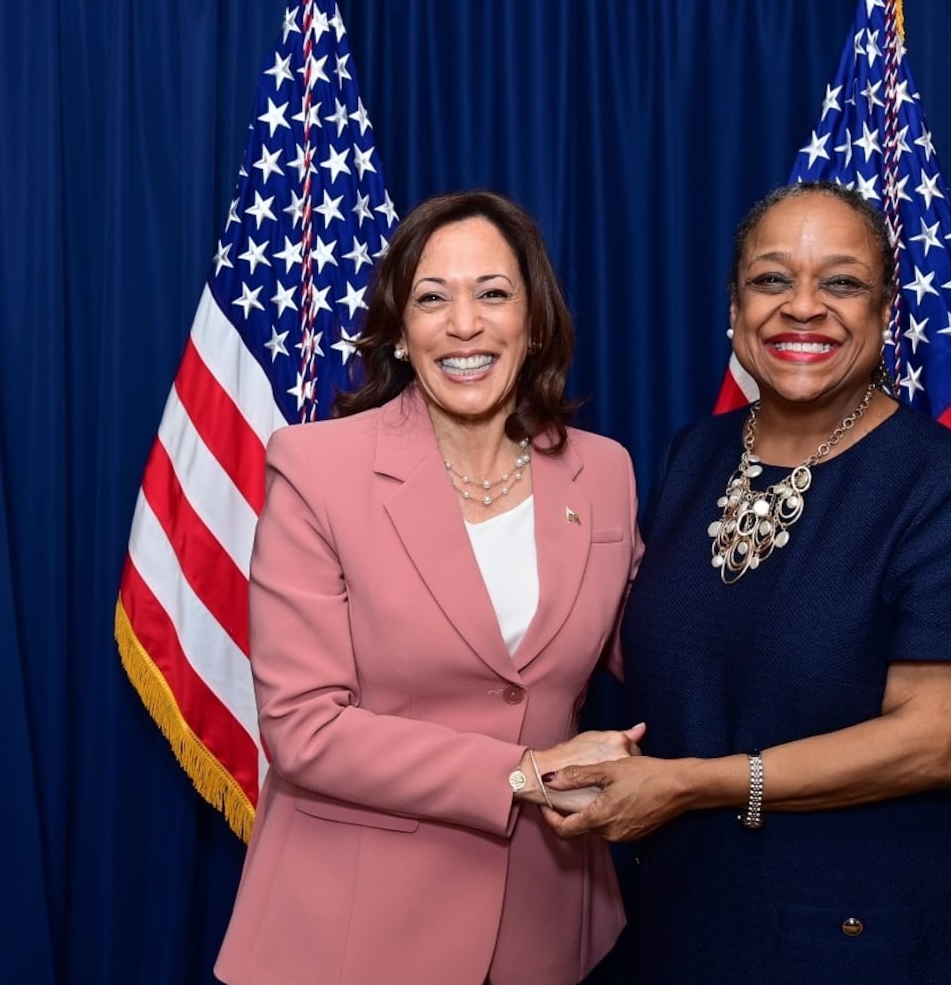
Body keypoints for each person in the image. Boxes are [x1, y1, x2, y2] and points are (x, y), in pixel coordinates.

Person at [545, 181, 951, 983]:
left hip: (872, 930)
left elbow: (932, 744)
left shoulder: (949, 484)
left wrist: (687, 784)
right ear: (735, 311)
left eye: (841, 282)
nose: (802, 306)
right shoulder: (689, 458)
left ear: (886, 315)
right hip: (694, 912)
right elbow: (660, 661)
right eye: (772, 279)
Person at [214, 190, 643, 985]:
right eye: (432, 298)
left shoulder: (605, 471)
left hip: (544, 928)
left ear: (535, 320)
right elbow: (304, 727)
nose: (464, 324)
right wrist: (525, 772)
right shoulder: (317, 468)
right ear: (403, 334)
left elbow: (659, 650)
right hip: (351, 932)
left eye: (492, 293)